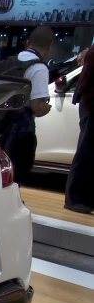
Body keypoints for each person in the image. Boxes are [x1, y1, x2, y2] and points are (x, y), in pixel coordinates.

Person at [0, 26, 55, 183]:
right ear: (50, 46)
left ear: (28, 42)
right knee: (17, 172)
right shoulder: (39, 68)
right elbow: (37, 107)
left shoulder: (9, 61)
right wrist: (47, 107)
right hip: (19, 128)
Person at [64, 46, 94, 214]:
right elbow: (86, 84)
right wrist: (90, 106)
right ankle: (74, 199)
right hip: (91, 107)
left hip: (90, 105)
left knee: (89, 153)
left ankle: (85, 199)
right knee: (85, 151)